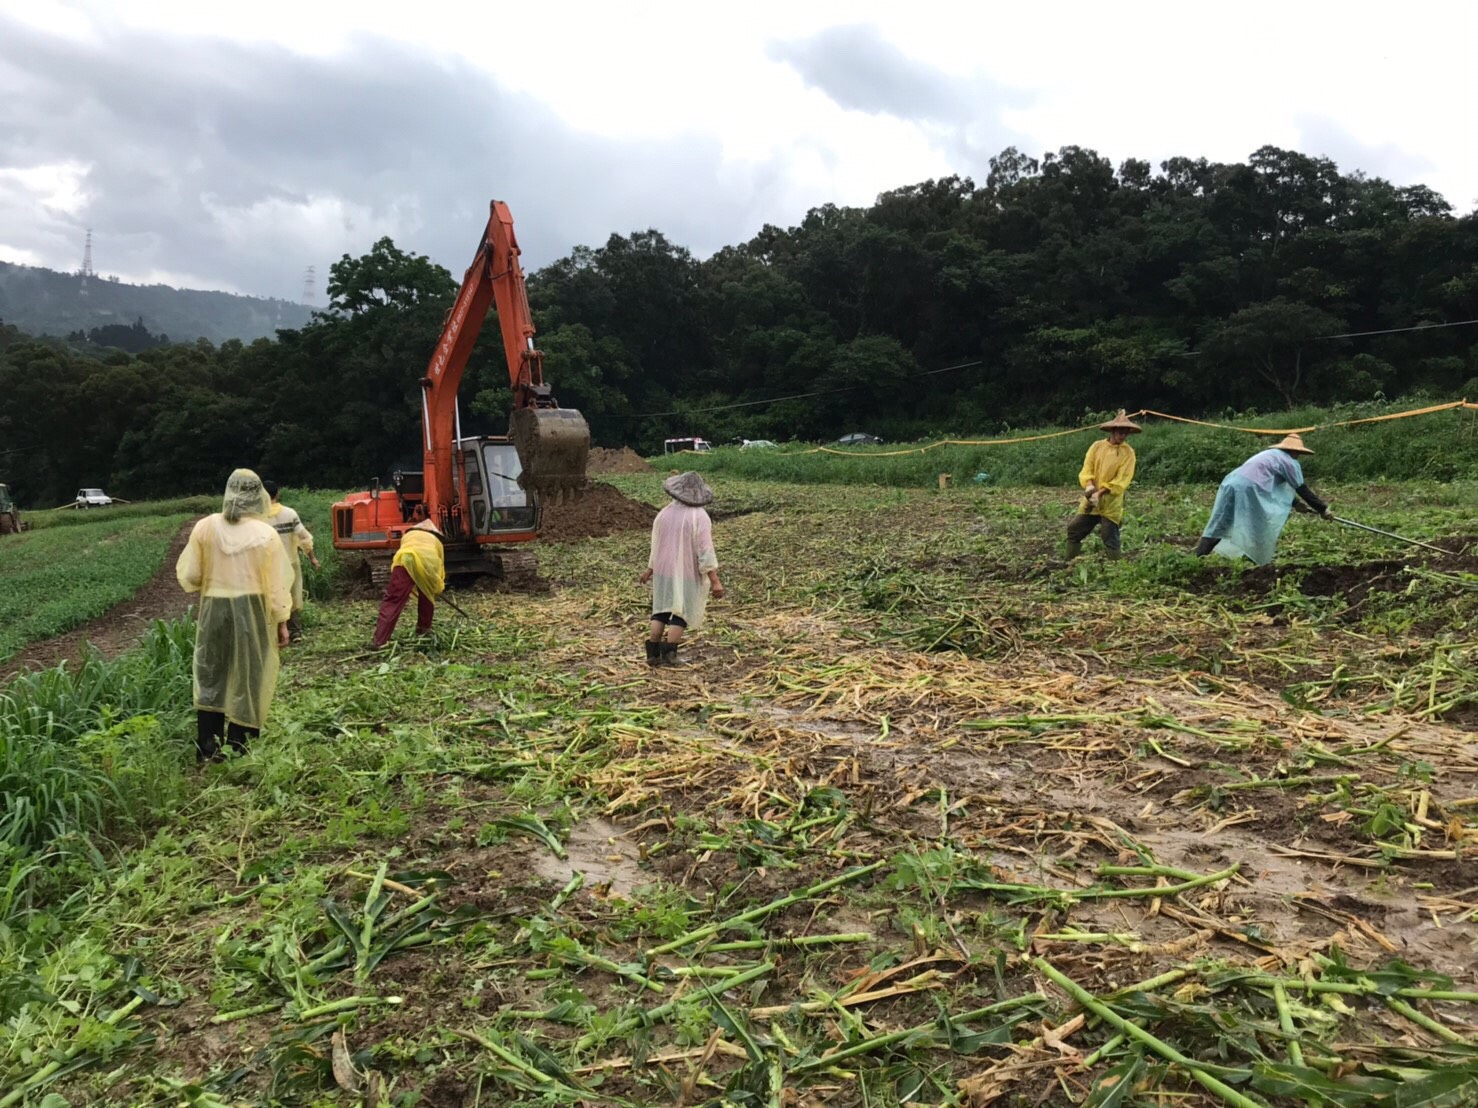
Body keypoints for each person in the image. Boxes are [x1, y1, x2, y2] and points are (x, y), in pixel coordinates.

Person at [176, 469, 293, 762]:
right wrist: (282, 622)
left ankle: (208, 747)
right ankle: (240, 748)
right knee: (251, 674)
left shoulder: (205, 527)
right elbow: (277, 586)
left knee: (211, 673)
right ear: (258, 497)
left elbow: (190, 576)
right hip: (252, 609)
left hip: (215, 607)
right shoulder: (265, 534)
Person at [1194, 433, 1332, 565]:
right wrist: (1323, 509)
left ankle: (1196, 559)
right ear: (1295, 452)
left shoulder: (1268, 455)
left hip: (1231, 483)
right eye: (1298, 454)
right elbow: (1302, 489)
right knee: (1258, 525)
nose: (1298, 456)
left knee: (1220, 522)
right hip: (1250, 489)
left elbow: (1274, 486)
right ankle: (1255, 562)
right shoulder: (1289, 461)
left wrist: (1295, 503)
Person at [638, 471, 724, 666]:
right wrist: (715, 581)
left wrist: (650, 569)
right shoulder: (699, 516)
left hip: (663, 570)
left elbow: (656, 544)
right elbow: (705, 551)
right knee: (681, 612)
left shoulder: (664, 513)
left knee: (660, 609)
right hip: (687, 571)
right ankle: (670, 653)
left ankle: (653, 652)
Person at [1066, 410, 1141, 560]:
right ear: (1113, 431)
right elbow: (1088, 467)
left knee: (1109, 536)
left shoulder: (1128, 453)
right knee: (1074, 529)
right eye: (1120, 432)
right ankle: (1068, 562)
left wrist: (1099, 494)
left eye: (1126, 433)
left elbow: (1122, 480)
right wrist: (1089, 485)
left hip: (1110, 503)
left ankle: (1115, 568)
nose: (1123, 436)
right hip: (1091, 501)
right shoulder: (1097, 447)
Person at [371, 516, 446, 649]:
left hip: (405, 560)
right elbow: (440, 565)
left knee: (393, 600)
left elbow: (407, 552)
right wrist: (434, 587)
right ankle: (423, 629)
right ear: (434, 532)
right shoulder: (437, 542)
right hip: (428, 564)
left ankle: (380, 640)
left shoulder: (408, 535)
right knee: (427, 596)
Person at [262, 480, 320, 642]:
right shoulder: (289, 513)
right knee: (291, 595)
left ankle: (275, 633)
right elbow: (304, 539)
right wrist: (313, 558)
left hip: (267, 566)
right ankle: (295, 632)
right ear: (277, 494)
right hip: (289, 563)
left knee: (271, 596)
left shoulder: (257, 518)